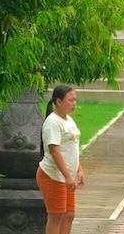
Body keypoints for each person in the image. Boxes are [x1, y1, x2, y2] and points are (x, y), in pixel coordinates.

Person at [38, 85, 84, 234]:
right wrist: (67, 176)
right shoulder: (53, 122)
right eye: (70, 100)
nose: (74, 103)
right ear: (58, 101)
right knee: (56, 216)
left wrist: (79, 169)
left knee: (69, 214)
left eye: (75, 100)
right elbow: (54, 151)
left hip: (66, 175)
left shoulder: (69, 120)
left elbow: (72, 147)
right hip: (53, 175)